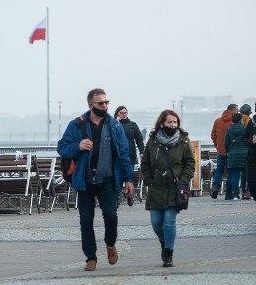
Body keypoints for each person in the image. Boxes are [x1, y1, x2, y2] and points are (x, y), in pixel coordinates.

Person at [57, 88, 135, 271]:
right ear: (90, 105)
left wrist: (129, 180)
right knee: (86, 220)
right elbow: (62, 147)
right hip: (84, 180)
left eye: (107, 102)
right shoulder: (77, 125)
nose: (105, 105)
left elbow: (124, 154)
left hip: (107, 179)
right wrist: (78, 146)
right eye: (101, 103)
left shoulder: (115, 126)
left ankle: (110, 244)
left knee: (110, 215)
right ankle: (90, 257)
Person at [140, 109, 195, 267]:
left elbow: (190, 163)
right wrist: (148, 179)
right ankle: (164, 242)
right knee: (156, 222)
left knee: (169, 220)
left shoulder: (183, 141)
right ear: (162, 123)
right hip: (156, 187)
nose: (173, 125)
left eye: (175, 122)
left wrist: (184, 179)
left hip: (174, 187)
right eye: (170, 122)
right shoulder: (153, 141)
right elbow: (145, 163)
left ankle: (169, 252)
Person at [114, 105, 144, 206]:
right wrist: (116, 123)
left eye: (125, 112)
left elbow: (139, 139)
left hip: (130, 155)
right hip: (116, 156)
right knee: (117, 177)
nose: (123, 115)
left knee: (129, 176)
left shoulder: (132, 125)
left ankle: (130, 196)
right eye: (121, 113)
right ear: (117, 114)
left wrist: (141, 152)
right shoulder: (114, 125)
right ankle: (116, 198)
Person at [209, 103, 237, 199]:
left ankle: (216, 187)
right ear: (233, 111)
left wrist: (217, 145)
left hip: (220, 150)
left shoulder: (217, 121)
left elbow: (213, 135)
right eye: (237, 111)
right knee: (230, 171)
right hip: (231, 151)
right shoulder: (234, 122)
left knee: (219, 170)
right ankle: (228, 193)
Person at [223, 112, 248, 200]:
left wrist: (228, 151)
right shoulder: (244, 129)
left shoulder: (229, 130)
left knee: (234, 175)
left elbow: (226, 143)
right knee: (245, 174)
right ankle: (245, 193)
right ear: (241, 119)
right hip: (244, 154)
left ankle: (236, 195)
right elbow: (247, 141)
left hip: (233, 154)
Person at [238, 104, 253, 200]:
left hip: (238, 149)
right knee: (249, 172)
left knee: (243, 173)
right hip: (248, 149)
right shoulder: (250, 121)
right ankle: (248, 191)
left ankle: (243, 192)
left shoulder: (236, 121)